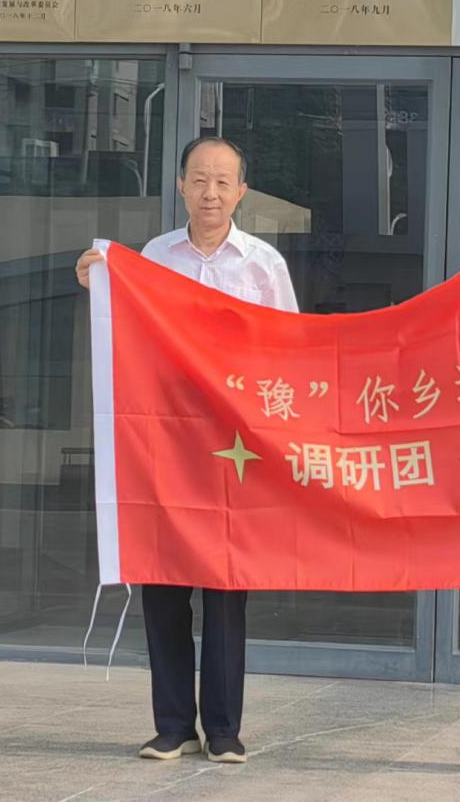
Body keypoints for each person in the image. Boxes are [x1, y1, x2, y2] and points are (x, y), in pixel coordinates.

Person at [75, 136, 298, 766]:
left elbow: (289, 350)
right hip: (166, 443)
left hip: (234, 447)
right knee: (165, 584)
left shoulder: (263, 265)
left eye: (223, 182)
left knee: (226, 584)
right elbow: (127, 327)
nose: (210, 193)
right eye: (199, 180)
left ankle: (224, 729)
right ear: (180, 186)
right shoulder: (154, 256)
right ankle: (172, 725)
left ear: (242, 191)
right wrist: (98, 281)